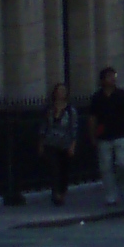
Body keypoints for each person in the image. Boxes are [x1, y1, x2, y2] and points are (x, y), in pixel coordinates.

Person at [87, 65, 124, 208]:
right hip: (104, 136)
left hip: (120, 133)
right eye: (109, 76)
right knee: (106, 167)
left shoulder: (122, 95)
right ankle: (110, 195)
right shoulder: (97, 97)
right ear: (102, 80)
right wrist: (92, 136)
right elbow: (92, 118)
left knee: (122, 163)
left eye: (113, 76)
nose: (112, 79)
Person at [38, 76, 79, 206]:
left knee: (64, 169)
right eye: (59, 90)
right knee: (54, 168)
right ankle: (56, 193)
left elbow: (74, 128)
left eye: (63, 90)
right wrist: (41, 143)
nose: (61, 93)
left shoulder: (70, 111)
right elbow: (44, 127)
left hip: (64, 143)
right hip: (51, 143)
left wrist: (72, 145)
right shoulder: (49, 110)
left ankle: (62, 190)